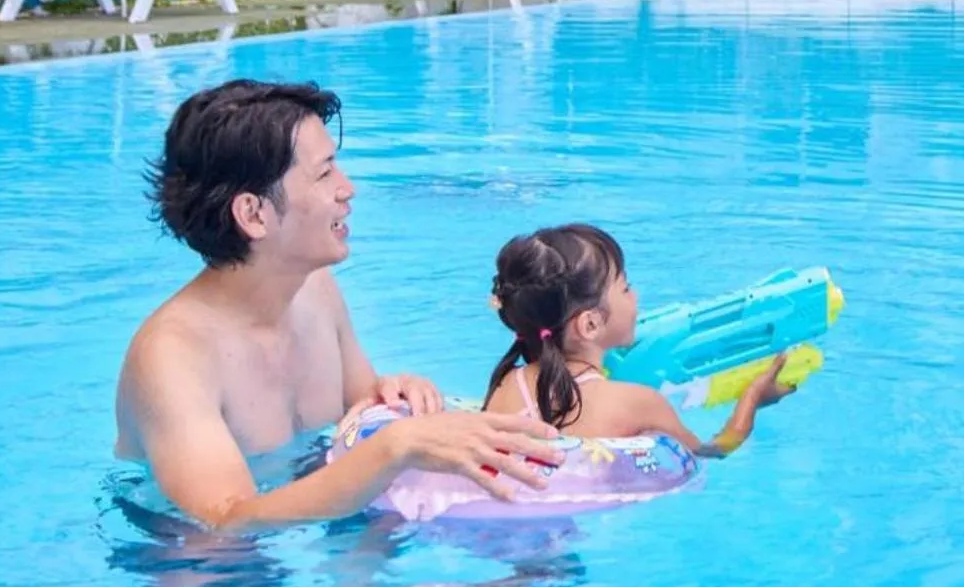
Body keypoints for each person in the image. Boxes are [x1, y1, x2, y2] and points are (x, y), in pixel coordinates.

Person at [115, 79, 561, 528]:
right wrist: (397, 445)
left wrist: (396, 396)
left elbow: (360, 416)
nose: (348, 189)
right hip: (182, 550)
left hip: (309, 514)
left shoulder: (314, 290)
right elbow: (226, 523)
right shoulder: (172, 357)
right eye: (324, 173)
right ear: (253, 214)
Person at [483, 223, 794, 456]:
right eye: (626, 287)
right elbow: (713, 451)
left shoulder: (506, 383)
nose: (636, 296)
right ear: (590, 324)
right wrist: (754, 398)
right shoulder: (640, 403)